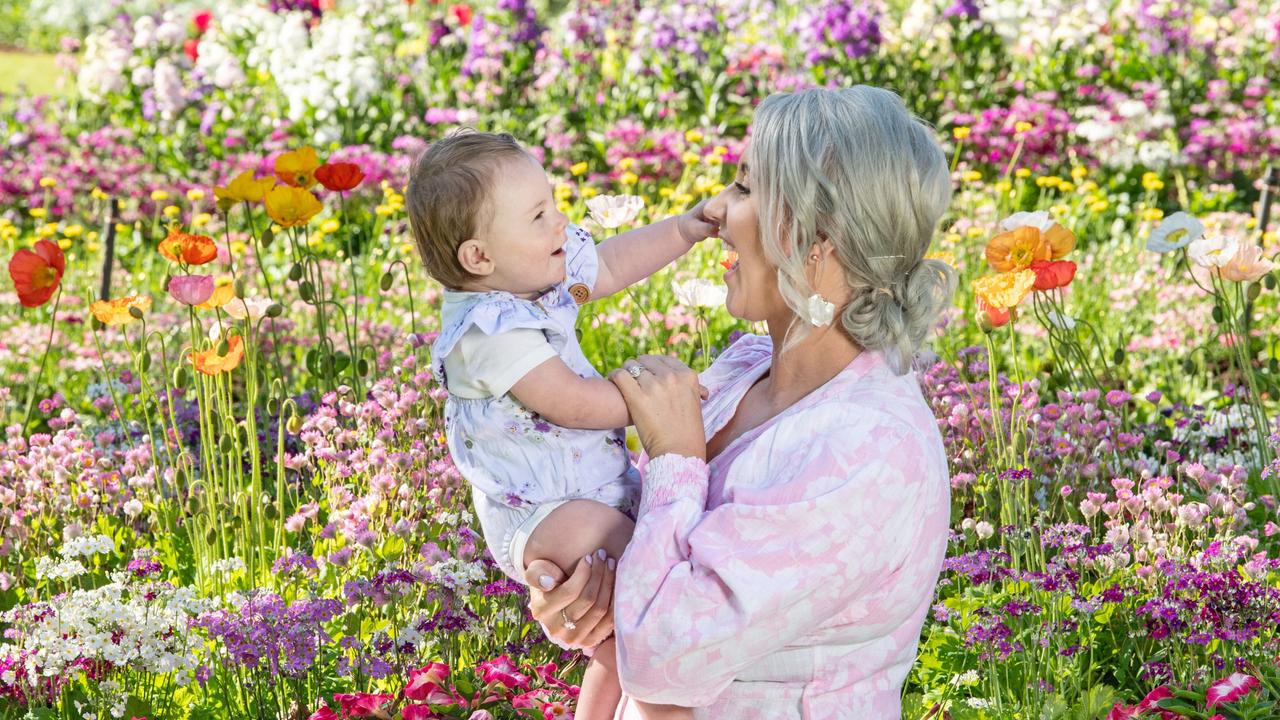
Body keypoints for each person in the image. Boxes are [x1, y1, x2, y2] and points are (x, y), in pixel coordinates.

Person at [524, 85, 956, 718]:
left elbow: (664, 657)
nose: (720, 210)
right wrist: (584, 600)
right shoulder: (748, 367)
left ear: (819, 238)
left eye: (747, 188)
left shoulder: (869, 448)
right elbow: (643, 594)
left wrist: (674, 456)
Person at [406, 130, 714, 719]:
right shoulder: (488, 329)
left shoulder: (527, 274)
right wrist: (659, 401)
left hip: (579, 492)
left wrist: (685, 228)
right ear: (479, 257)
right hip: (548, 511)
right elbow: (569, 403)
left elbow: (608, 264)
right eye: (540, 214)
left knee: (622, 638)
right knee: (657, 586)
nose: (560, 223)